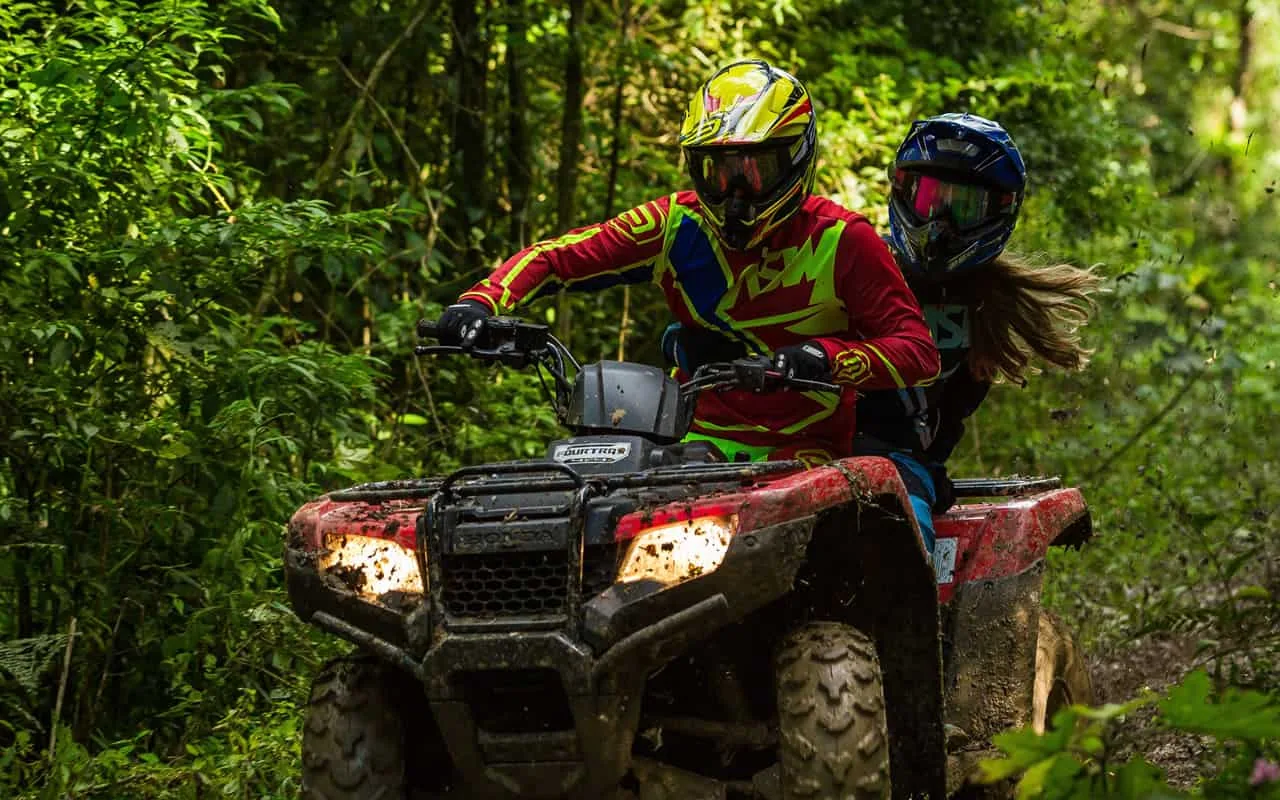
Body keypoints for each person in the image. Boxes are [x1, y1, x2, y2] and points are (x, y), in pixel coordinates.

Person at [436, 59, 940, 465]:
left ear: (795, 159)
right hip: (686, 445)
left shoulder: (842, 239)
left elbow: (918, 352)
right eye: (717, 172)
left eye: (755, 171)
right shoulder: (674, 223)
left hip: (805, 456)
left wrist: (824, 359)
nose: (736, 195)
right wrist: (479, 304)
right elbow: (557, 257)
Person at [855, 112, 1102, 555]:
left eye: (963, 207)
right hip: (808, 448)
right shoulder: (855, 266)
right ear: (903, 190)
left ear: (999, 211)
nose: (942, 223)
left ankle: (916, 622)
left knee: (905, 548)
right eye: (932, 200)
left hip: (898, 470)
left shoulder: (991, 304)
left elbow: (951, 415)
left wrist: (926, 464)